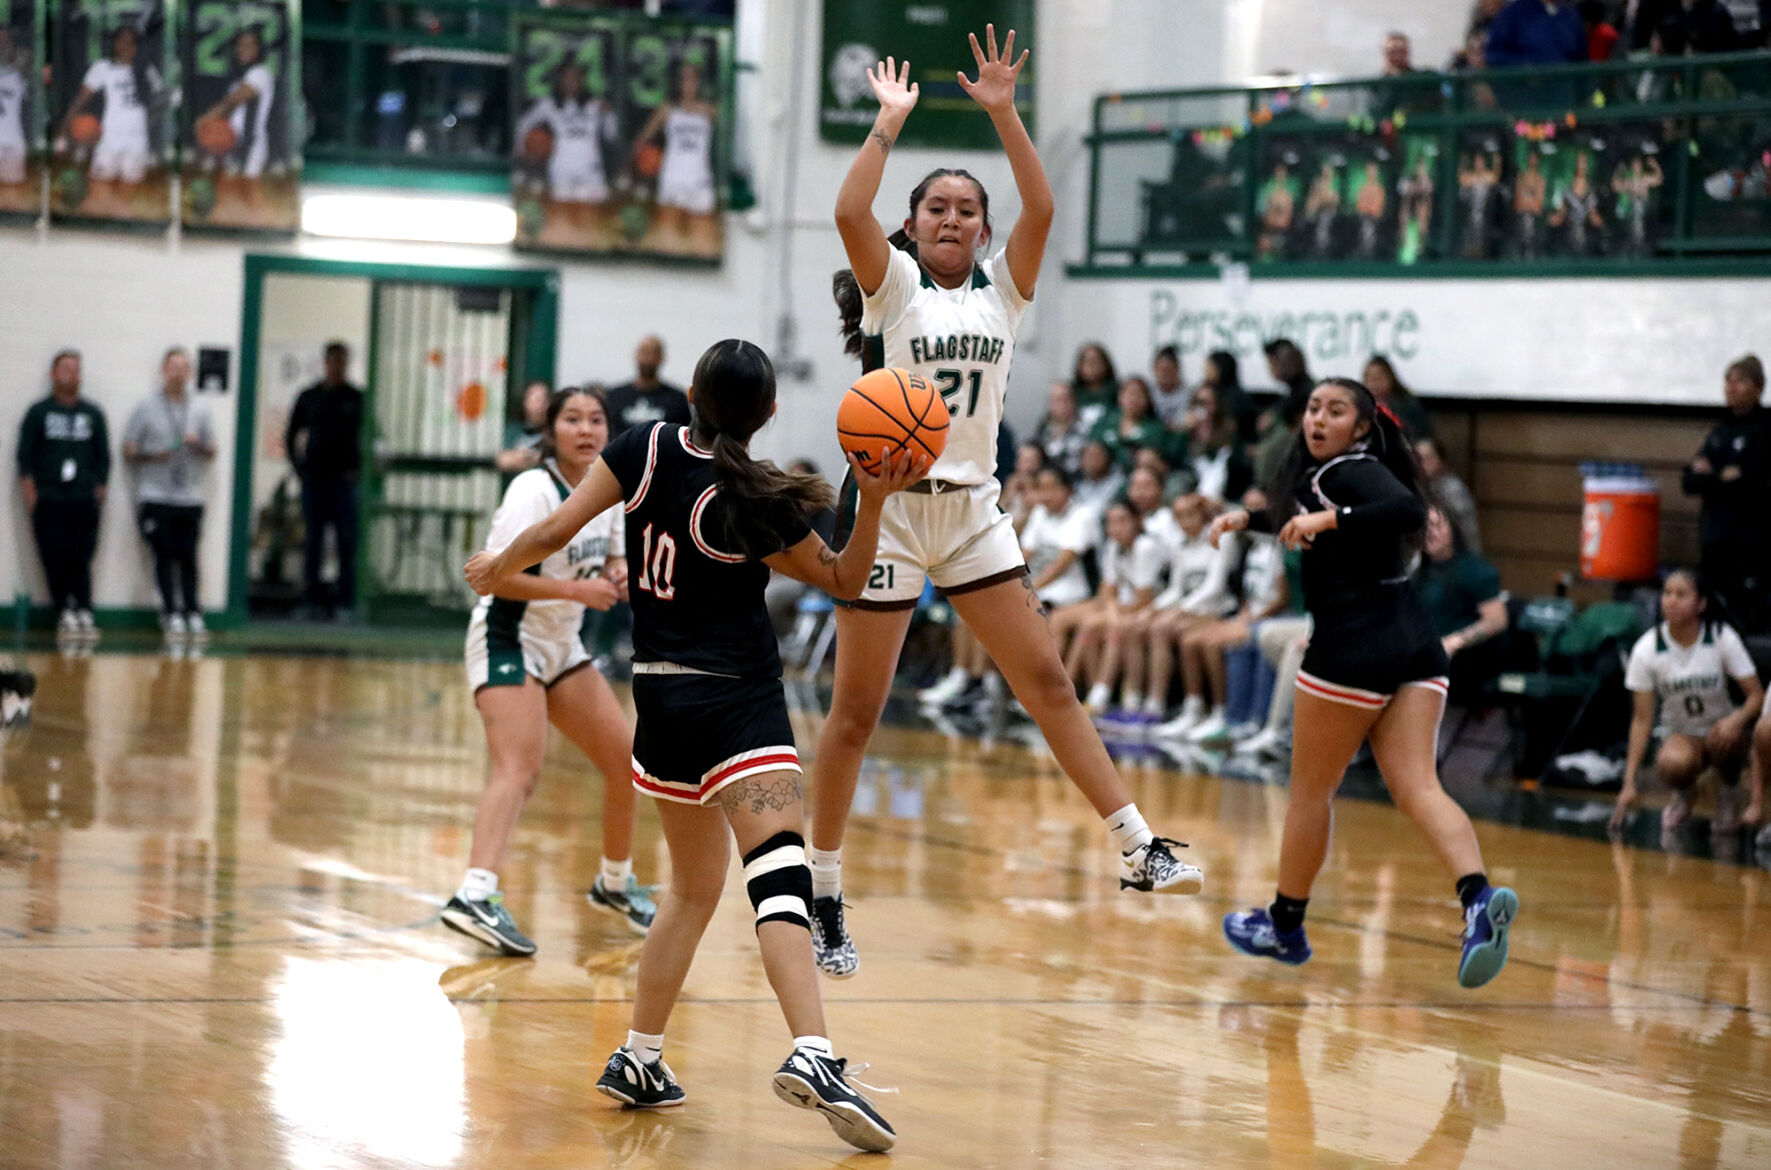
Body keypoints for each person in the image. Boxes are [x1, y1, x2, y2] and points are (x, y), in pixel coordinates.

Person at [466, 339, 923, 1151]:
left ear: (687, 396)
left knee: (691, 890)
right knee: (778, 873)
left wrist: (499, 565)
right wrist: (877, 501)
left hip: (660, 701)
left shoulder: (642, 448)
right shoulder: (762, 499)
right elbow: (847, 582)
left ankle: (639, 1057)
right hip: (736, 701)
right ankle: (814, 1053)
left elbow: (559, 527)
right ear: (768, 413)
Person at [817, 30, 1204, 978]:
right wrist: (887, 124)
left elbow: (1044, 203)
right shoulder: (892, 287)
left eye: (966, 210)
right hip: (888, 513)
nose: (952, 218)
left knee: (1050, 684)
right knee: (855, 715)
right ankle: (821, 893)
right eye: (936, 208)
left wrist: (1003, 113)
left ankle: (1137, 845)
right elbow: (847, 208)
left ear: (984, 233)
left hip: (973, 514)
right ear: (913, 227)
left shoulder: (1004, 292)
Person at [1210, 377, 1519, 989]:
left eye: (1335, 410)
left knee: (1309, 795)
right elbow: (1311, 517)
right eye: (1312, 408)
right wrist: (1249, 518)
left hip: (1352, 649)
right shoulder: (1336, 475)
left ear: (1360, 427)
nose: (1317, 418)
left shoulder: (1349, 471)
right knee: (1419, 788)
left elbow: (1409, 511)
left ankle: (1285, 924)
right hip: (1416, 646)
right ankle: (1478, 898)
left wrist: (1330, 519)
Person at [442, 386, 658, 957]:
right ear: (550, 431)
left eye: (596, 420)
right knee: (519, 769)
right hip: (507, 636)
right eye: (572, 419)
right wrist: (577, 591)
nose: (585, 430)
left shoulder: (606, 491)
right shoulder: (532, 490)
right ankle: (474, 894)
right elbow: (493, 576)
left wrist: (616, 573)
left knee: (627, 763)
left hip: (560, 645)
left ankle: (614, 883)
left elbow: (612, 558)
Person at [1609, 570, 1763, 836]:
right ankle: (1685, 793)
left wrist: (1735, 720)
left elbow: (1756, 696)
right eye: (1667, 593)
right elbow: (1642, 720)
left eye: (1681, 594)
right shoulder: (1646, 649)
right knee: (1671, 762)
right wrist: (1629, 783)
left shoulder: (1721, 636)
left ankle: (1729, 792)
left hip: (1721, 731)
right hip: (1682, 735)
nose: (1671, 601)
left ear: (1701, 603)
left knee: (1729, 736)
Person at [122, 348, 217, 640]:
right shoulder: (146, 407)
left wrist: (198, 445)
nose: (178, 372)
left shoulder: (200, 409)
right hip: (155, 495)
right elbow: (129, 449)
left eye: (184, 367)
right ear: (163, 370)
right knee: (163, 554)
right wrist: (154, 454)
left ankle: (193, 611)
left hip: (189, 496)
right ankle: (170, 611)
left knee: (188, 555)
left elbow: (213, 450)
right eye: (173, 366)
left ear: (190, 372)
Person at [17, 350, 109, 642]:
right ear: (53, 374)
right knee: (54, 556)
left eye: (75, 369)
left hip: (83, 497)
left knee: (81, 556)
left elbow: (103, 456)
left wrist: (99, 487)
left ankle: (84, 609)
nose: (71, 374)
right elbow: (25, 456)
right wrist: (30, 492)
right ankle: (64, 609)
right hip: (49, 497)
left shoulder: (92, 413)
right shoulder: (39, 412)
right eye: (65, 368)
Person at [1682, 355, 1769, 635]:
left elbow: (1753, 482)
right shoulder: (1719, 431)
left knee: (1748, 624)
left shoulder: (1764, 430)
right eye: (1727, 381)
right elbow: (1690, 480)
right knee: (1713, 619)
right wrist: (1723, 476)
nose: (1731, 388)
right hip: (1714, 543)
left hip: (1750, 544)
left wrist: (1714, 476)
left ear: (1758, 387)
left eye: (1740, 381)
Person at [285, 341, 365, 620]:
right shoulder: (310, 397)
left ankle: (345, 602)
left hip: (345, 482)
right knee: (313, 542)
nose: (337, 366)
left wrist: (360, 470)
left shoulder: (356, 398)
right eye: (333, 361)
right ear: (325, 362)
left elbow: (369, 437)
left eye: (342, 361)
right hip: (315, 481)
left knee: (346, 542)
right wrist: (300, 469)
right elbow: (291, 435)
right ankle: (311, 600)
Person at [1075, 498, 1164, 718]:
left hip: (1159, 606)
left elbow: (1145, 598)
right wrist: (1113, 612)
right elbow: (1108, 590)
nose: (1116, 528)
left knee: (1119, 628)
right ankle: (1093, 692)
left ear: (1137, 521)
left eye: (1122, 521)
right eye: (1111, 522)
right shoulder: (1114, 547)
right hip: (1129, 607)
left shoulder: (1145, 546)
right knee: (1090, 624)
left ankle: (1119, 696)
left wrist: (1114, 613)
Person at [1415, 507, 1509, 703]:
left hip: (1461, 663)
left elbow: (1496, 620)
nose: (1430, 533)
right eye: (1424, 528)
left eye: (1437, 525)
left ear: (1453, 529)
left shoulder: (1475, 570)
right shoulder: (1416, 573)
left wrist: (1455, 641)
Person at [62, 26, 162, 206]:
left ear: (136, 47)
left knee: (129, 195)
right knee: (99, 191)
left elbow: (161, 100)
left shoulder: (146, 70)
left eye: (130, 43)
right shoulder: (103, 67)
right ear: (115, 44)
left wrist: (151, 130)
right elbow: (81, 99)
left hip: (137, 140)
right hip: (109, 138)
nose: (126, 46)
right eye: (121, 41)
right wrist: (64, 129)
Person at [515, 60, 618, 227]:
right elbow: (524, 124)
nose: (571, 82)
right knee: (562, 215)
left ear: (582, 80)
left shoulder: (595, 104)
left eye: (576, 77)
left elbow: (611, 134)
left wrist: (609, 115)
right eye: (567, 77)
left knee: (593, 215)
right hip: (561, 165)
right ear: (560, 80)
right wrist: (520, 147)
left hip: (590, 166)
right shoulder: (548, 104)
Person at [631, 61, 719, 252]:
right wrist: (638, 167)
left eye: (692, 78)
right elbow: (642, 138)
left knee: (703, 233)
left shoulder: (708, 110)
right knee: (668, 229)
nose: (688, 83)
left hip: (700, 177)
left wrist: (698, 108)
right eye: (683, 78)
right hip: (673, 175)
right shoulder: (667, 109)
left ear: (698, 82)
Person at [605, 335, 691, 438]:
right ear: (636, 355)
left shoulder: (677, 400)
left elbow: (684, 436)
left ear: (661, 357)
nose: (647, 359)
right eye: (643, 352)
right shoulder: (614, 397)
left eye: (652, 353)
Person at [1416, 436, 1482, 553]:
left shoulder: (1453, 490)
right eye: (1417, 459)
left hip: (1455, 552)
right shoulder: (1417, 487)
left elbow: (1468, 530)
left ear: (1440, 461)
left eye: (1427, 458)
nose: (1421, 464)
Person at [1363, 355, 1432, 438]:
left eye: (1378, 378)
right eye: (1369, 379)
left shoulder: (1407, 405)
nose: (1373, 384)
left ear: (1390, 378)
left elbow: (1422, 436)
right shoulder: (1361, 407)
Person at [497, 380, 552, 474]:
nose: (540, 406)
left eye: (544, 401)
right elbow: (501, 460)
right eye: (535, 400)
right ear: (525, 403)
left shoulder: (556, 432)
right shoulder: (512, 431)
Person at [1033, 381, 1087, 474]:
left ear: (1074, 401)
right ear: (1050, 404)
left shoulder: (1086, 428)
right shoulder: (1042, 431)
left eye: (1066, 399)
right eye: (1057, 400)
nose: (1062, 404)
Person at [1069, 342, 1118, 430]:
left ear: (1106, 365)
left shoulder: (1117, 392)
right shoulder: (1070, 392)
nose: (1091, 366)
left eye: (1095, 361)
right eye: (1086, 361)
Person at [1150, 346, 1189, 426]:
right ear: (1154, 369)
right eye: (1160, 369)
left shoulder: (1189, 395)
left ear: (1177, 369)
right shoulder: (1147, 393)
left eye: (1167, 370)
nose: (1163, 374)